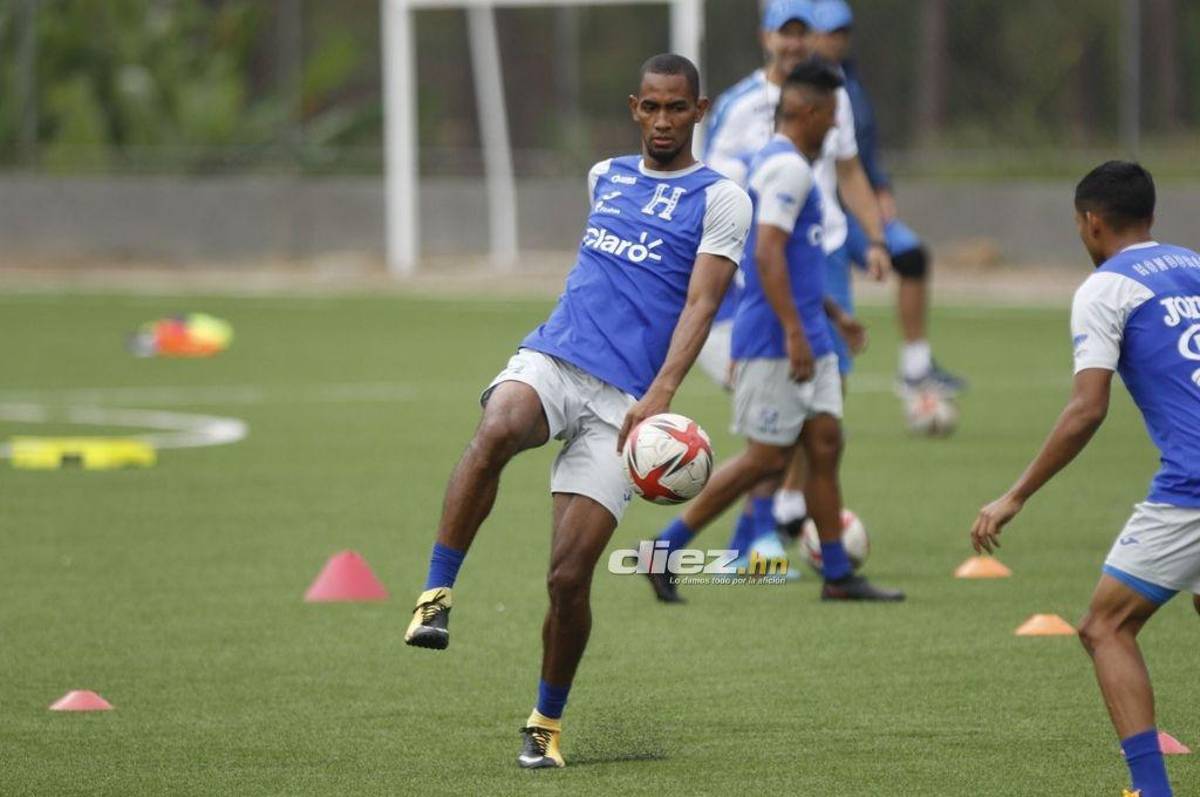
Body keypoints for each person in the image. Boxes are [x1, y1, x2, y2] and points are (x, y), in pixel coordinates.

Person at [401, 53, 751, 770]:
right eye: (650, 106)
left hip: (625, 404)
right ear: (633, 107)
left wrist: (660, 397)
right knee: (497, 424)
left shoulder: (721, 199)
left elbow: (701, 303)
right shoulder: (606, 176)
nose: (662, 120)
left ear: (700, 111)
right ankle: (436, 593)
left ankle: (544, 723)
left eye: (676, 108)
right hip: (556, 358)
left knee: (567, 578)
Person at [971, 161, 1200, 797]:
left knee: (1105, 627)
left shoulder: (1106, 287)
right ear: (1150, 216)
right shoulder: (1195, 265)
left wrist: (1014, 495)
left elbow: (1086, 408)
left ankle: (1151, 791)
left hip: (1194, 486)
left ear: (1090, 222)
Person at [646, 61, 904, 604]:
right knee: (765, 459)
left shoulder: (795, 168)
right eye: (831, 114)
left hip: (811, 334)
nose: (835, 126)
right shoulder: (784, 169)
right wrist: (792, 332)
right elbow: (764, 253)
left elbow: (796, 256)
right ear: (809, 112)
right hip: (776, 341)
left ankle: (837, 574)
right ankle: (664, 550)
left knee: (826, 444)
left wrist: (833, 317)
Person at [701, 0, 892, 558]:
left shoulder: (832, 95)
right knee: (779, 409)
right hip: (766, 257)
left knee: (824, 406)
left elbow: (850, 169)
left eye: (802, 33)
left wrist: (874, 237)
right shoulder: (739, 106)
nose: (793, 43)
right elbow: (715, 185)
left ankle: (784, 519)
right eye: (784, 34)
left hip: (822, 254)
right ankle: (748, 533)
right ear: (765, 37)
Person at [808, 0, 965, 396]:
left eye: (842, 32)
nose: (836, 41)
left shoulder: (851, 82)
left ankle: (915, 368)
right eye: (829, 32)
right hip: (819, 219)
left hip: (856, 208)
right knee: (829, 342)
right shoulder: (796, 84)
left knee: (911, 256)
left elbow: (860, 150)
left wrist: (880, 188)